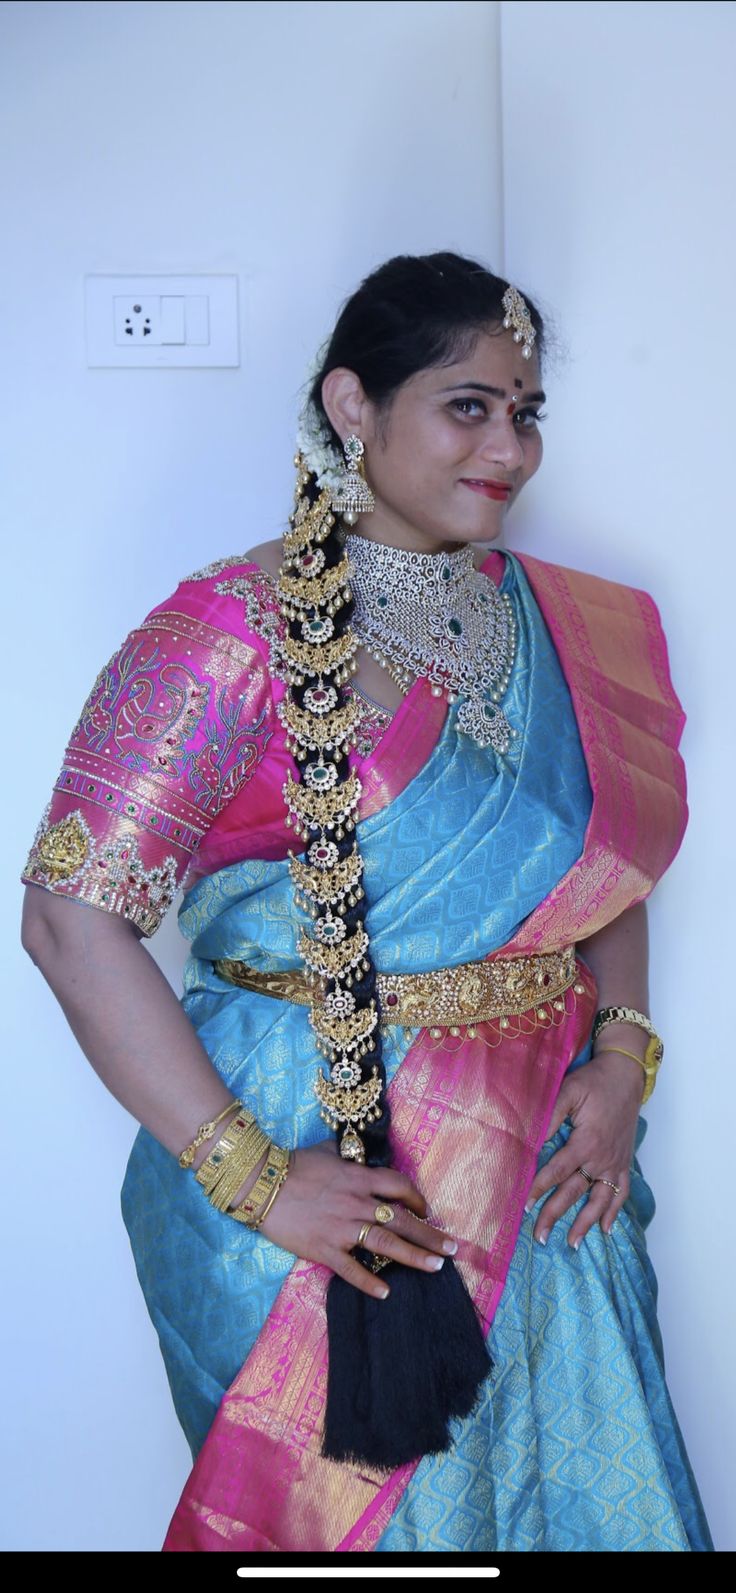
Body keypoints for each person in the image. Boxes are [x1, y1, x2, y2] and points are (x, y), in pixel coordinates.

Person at [20, 251, 714, 1554]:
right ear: (353, 404)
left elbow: (601, 866)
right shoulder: (224, 631)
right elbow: (69, 919)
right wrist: (254, 1174)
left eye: (528, 410)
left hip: (553, 1170)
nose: (510, 445)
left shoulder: (572, 626)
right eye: (468, 404)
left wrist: (623, 1059)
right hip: (329, 1184)